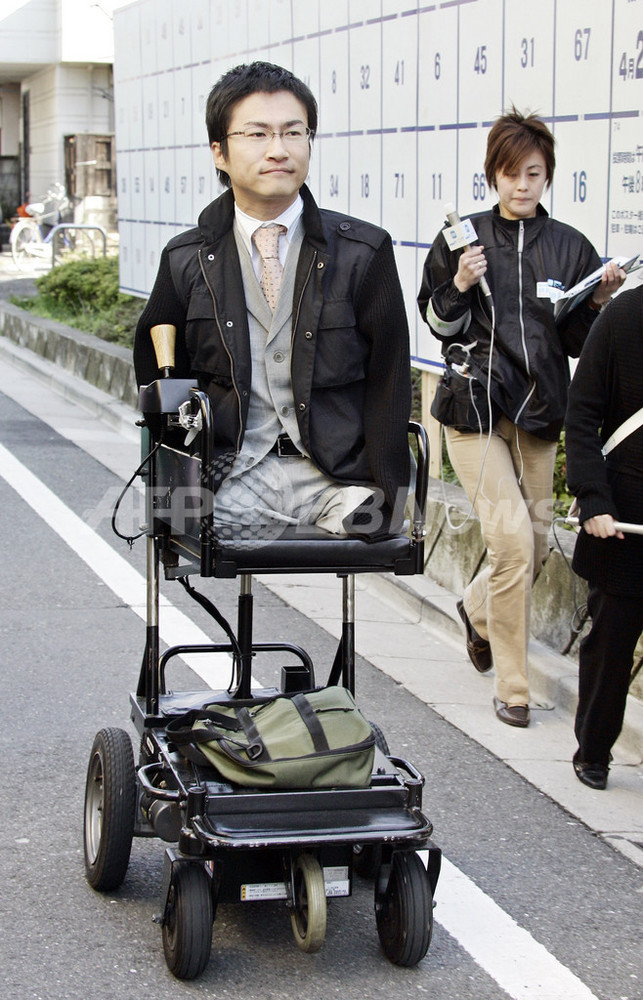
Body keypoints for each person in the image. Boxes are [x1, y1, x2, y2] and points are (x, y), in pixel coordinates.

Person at [134, 61, 411, 538]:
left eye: (293, 132)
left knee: (367, 526)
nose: (278, 150)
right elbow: (159, 374)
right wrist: (176, 490)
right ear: (219, 152)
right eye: (257, 135)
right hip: (230, 479)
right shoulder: (187, 258)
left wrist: (391, 494)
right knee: (187, 527)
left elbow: (390, 376)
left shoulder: (363, 251)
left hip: (338, 481)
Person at [417, 108, 625, 728]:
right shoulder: (463, 239)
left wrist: (602, 300)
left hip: (538, 417)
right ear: (493, 176)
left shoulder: (570, 246)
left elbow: (579, 339)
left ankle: (477, 611)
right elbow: (437, 323)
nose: (522, 186)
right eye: (510, 174)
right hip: (474, 412)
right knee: (512, 544)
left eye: (533, 174)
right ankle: (513, 684)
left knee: (532, 547)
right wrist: (457, 282)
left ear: (547, 176)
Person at [565, 283, 643, 788]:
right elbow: (583, 414)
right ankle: (593, 749)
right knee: (612, 645)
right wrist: (593, 497)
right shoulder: (624, 316)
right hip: (624, 516)